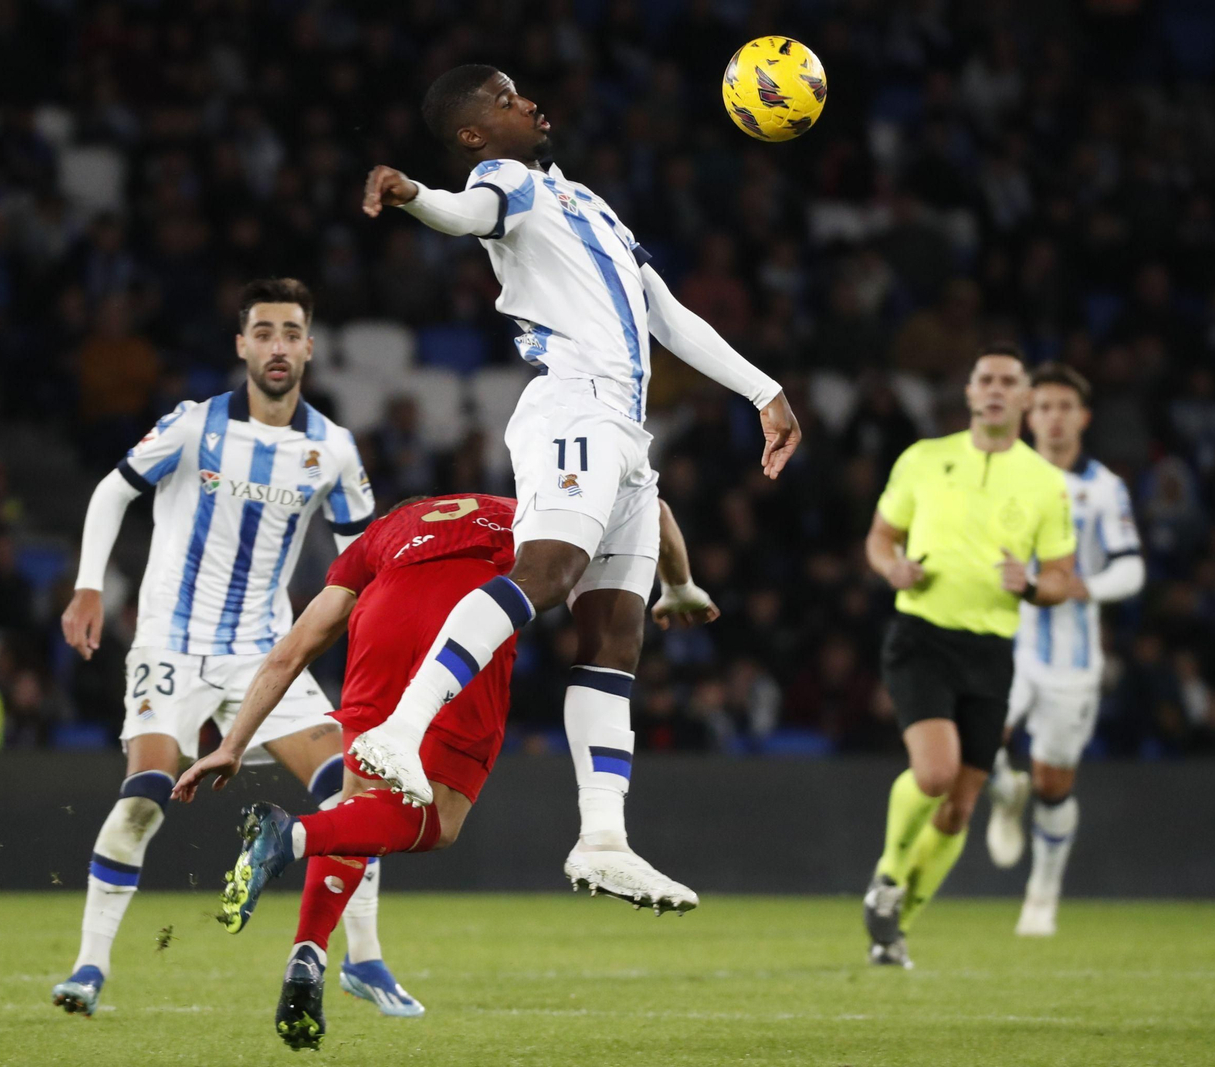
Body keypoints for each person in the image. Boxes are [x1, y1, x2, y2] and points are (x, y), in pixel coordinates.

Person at [350, 64, 800, 911]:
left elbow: (665, 313)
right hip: (573, 408)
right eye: (505, 98)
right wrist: (414, 195)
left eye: (522, 91)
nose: (528, 101)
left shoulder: (585, 201)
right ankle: (400, 731)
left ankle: (602, 839)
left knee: (615, 638)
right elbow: (464, 213)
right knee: (549, 574)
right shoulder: (505, 182)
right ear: (476, 134)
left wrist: (763, 389)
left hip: (626, 435)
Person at [171, 493, 718, 1050]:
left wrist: (233, 744)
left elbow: (294, 649)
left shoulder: (381, 534)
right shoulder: (530, 504)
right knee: (439, 818)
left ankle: (306, 954)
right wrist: (680, 585)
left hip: (381, 616)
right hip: (467, 616)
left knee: (361, 803)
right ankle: (292, 835)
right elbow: (653, 508)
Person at [50, 278, 420, 1020]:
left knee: (355, 789)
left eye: (291, 332)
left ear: (310, 347)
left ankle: (367, 958)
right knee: (143, 800)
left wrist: (387, 655)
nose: (278, 346)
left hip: (264, 654)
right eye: (264, 332)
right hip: (172, 643)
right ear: (242, 346)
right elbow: (112, 490)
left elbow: (365, 566)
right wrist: (90, 585)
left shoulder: (332, 450)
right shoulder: (193, 427)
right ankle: (89, 965)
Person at [862, 345, 1077, 967]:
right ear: (969, 392)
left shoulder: (1043, 483)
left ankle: (895, 930)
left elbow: (1062, 578)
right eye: (985, 379)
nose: (995, 390)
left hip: (991, 649)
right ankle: (887, 877)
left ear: (1025, 400)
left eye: (1009, 381)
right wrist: (892, 568)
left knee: (958, 809)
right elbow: (880, 538)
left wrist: (1033, 586)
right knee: (934, 774)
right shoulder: (924, 460)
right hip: (923, 636)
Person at [985, 363, 1146, 936]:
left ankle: (1043, 891)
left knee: (1054, 784)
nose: (1053, 418)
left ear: (1083, 417)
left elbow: (1131, 568)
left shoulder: (1103, 488)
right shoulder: (1001, 475)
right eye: (1044, 407)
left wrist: (1088, 587)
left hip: (1071, 659)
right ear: (1029, 415)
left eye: (1064, 407)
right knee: (976, 744)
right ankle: (1005, 792)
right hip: (1003, 639)